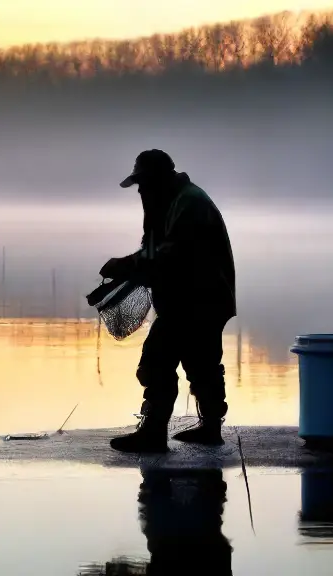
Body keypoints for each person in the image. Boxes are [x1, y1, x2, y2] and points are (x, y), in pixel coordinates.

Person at [99, 149, 236, 453]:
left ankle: (154, 433)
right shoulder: (169, 202)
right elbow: (154, 252)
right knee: (202, 365)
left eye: (143, 183)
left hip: (198, 300)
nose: (140, 190)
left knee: (157, 363)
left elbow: (174, 256)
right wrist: (132, 269)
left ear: (159, 179)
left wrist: (125, 265)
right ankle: (209, 428)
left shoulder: (189, 204)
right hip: (192, 299)